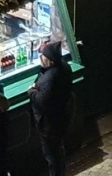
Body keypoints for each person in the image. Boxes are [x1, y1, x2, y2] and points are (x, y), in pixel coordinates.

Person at [28, 41, 73, 176]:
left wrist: (31, 91)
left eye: (42, 56)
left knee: (51, 154)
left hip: (49, 123)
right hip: (62, 115)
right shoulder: (63, 67)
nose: (40, 58)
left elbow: (42, 101)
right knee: (58, 148)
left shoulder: (49, 78)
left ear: (49, 60)